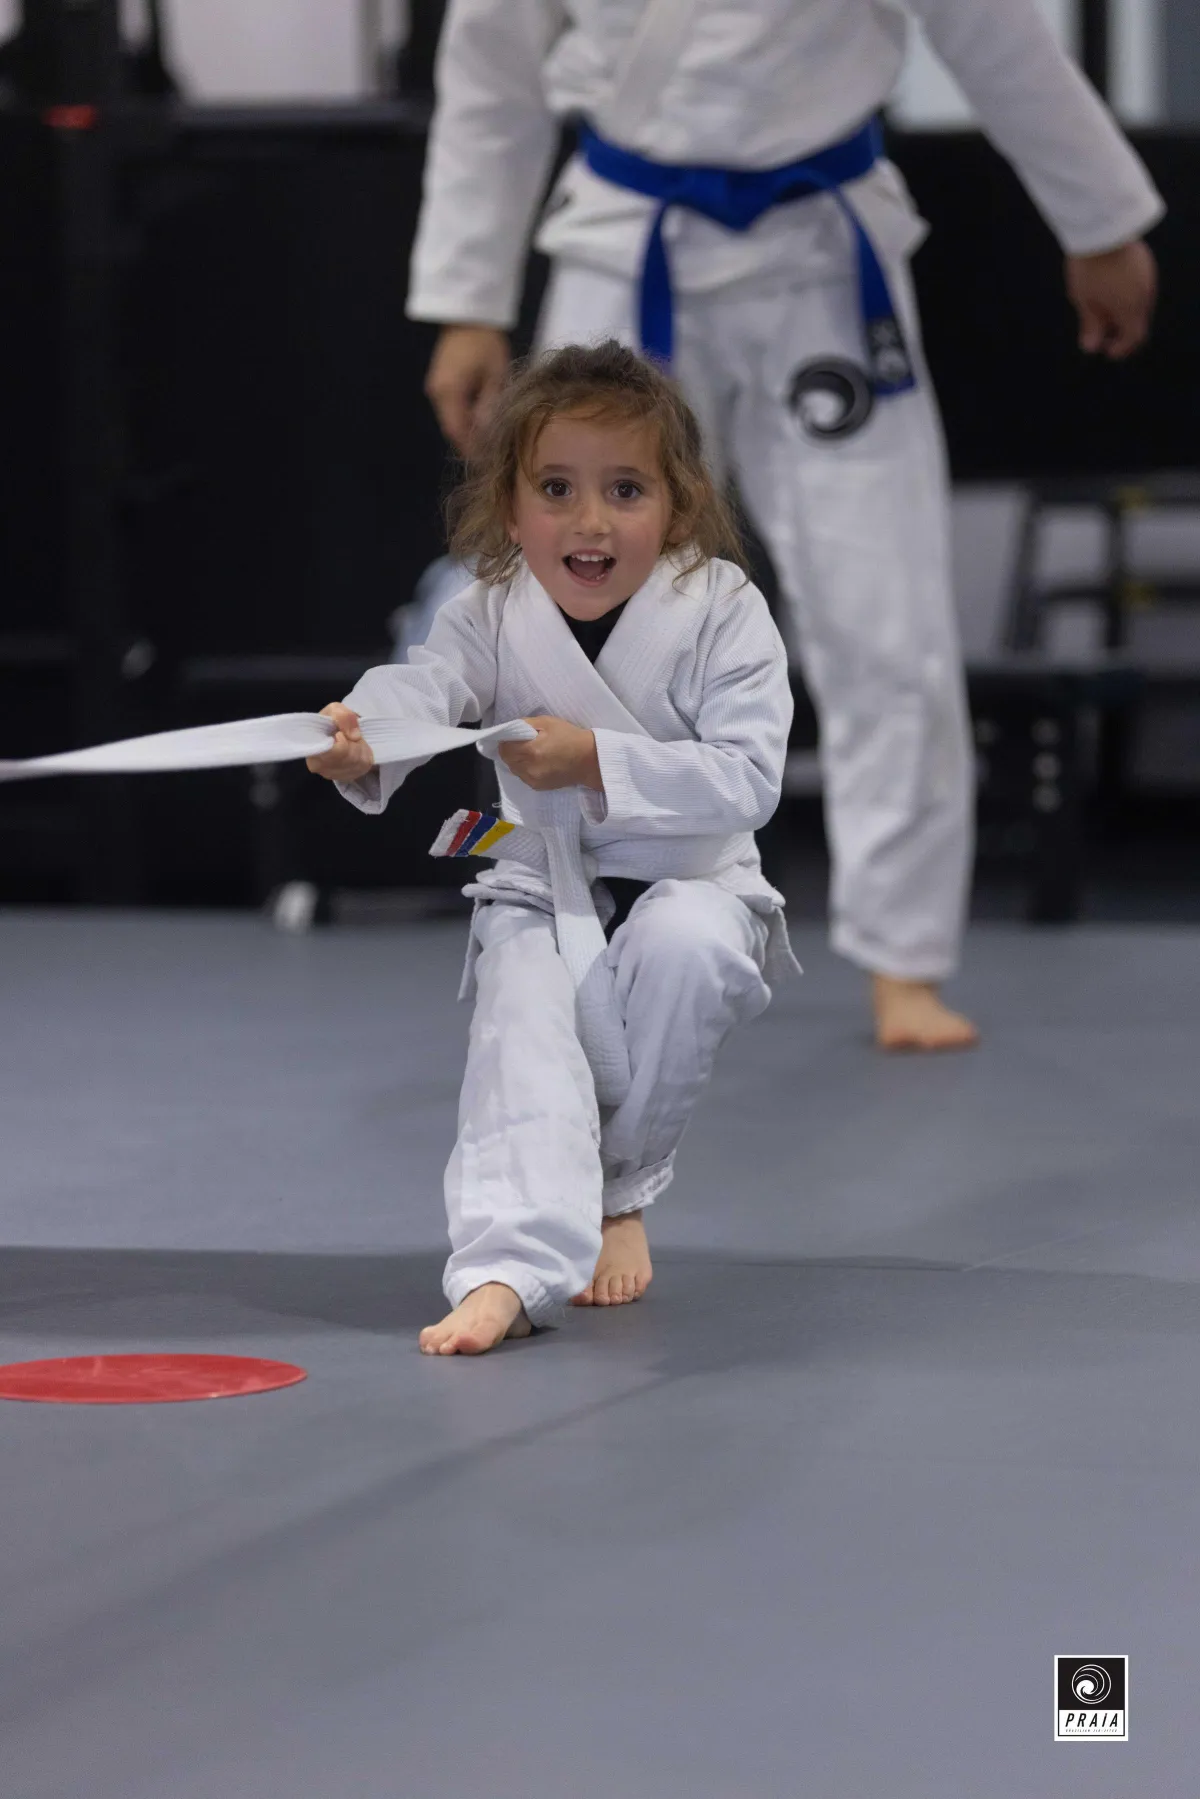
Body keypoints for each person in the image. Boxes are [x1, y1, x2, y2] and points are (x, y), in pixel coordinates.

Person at [407, 0, 1163, 1051]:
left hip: (824, 253)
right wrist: (468, 299)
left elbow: (994, 31)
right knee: (576, 618)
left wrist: (1098, 222)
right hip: (623, 245)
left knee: (883, 611)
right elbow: (492, 70)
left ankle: (905, 954)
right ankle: (575, 917)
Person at [308, 342, 795, 1355]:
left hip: (694, 876)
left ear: (680, 502)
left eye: (625, 488)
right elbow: (425, 689)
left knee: (688, 951)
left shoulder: (724, 612)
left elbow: (749, 778)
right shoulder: (488, 609)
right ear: (511, 504)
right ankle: (504, 1267)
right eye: (557, 488)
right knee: (523, 1021)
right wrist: (360, 731)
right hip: (544, 881)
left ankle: (618, 1190)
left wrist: (595, 760)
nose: (590, 520)